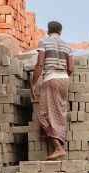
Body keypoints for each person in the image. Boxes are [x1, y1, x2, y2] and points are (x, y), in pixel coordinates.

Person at [30, 21, 74, 160]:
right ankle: (59, 143)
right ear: (60, 31)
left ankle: (58, 147)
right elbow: (71, 69)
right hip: (64, 80)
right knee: (59, 112)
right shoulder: (68, 46)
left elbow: (40, 63)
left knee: (44, 115)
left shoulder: (44, 42)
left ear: (48, 31)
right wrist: (62, 73)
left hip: (51, 79)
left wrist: (33, 83)